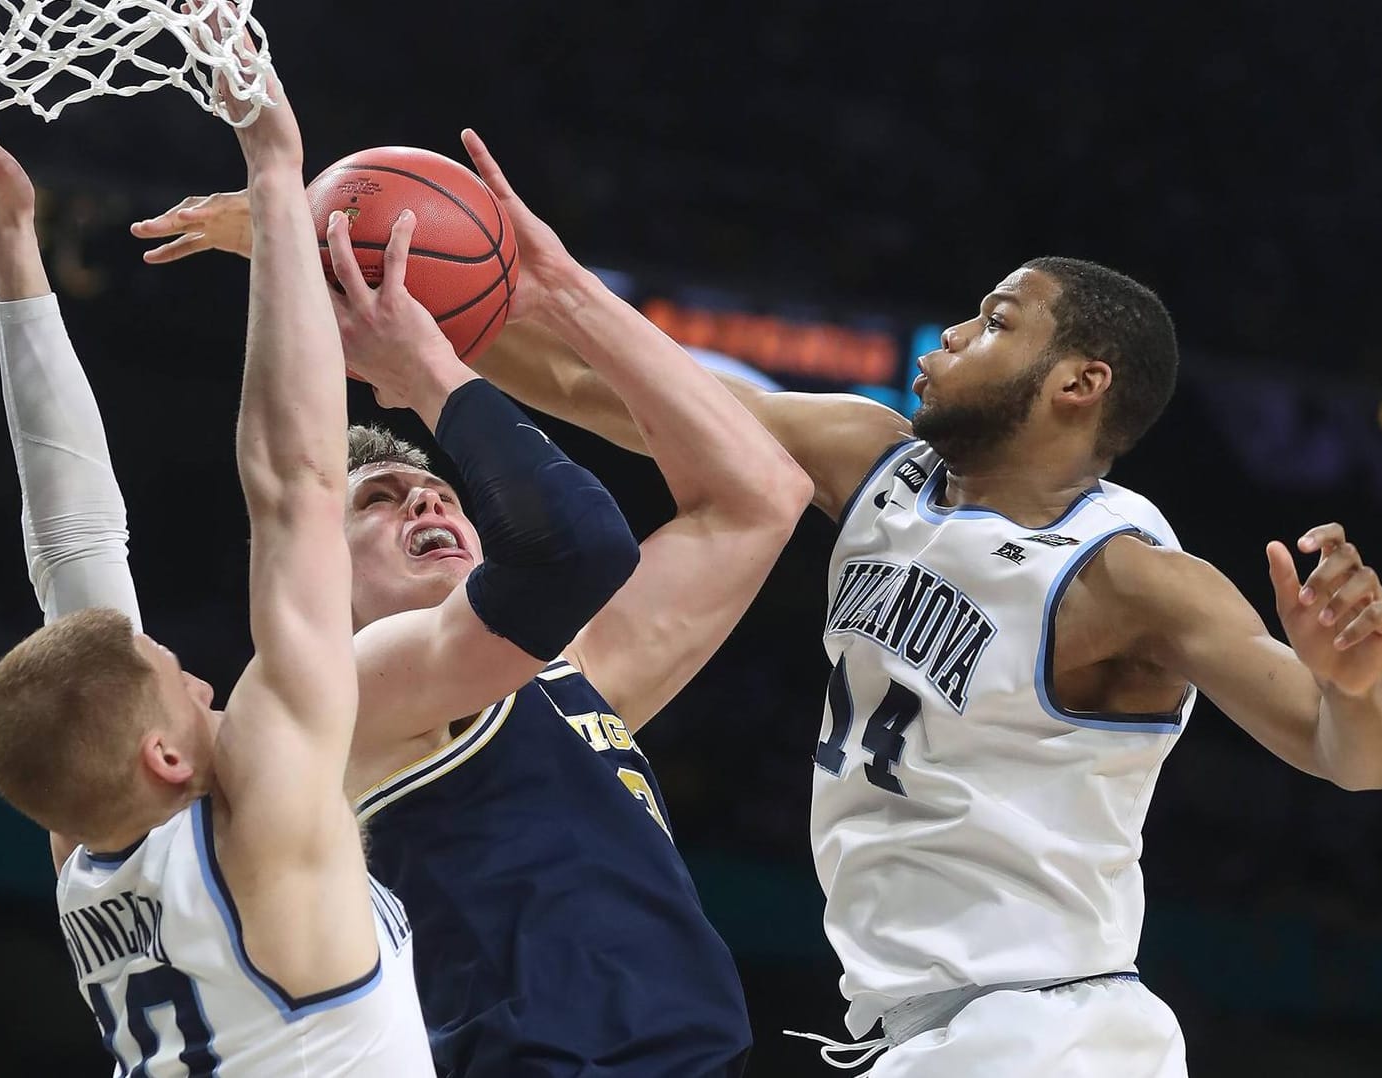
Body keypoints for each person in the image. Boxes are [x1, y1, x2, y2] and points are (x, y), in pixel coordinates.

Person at [460, 257, 1382, 1076]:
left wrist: (1353, 685)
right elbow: (604, 388)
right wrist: (422, 322)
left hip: (1047, 1033)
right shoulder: (868, 460)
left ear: (1078, 382)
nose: (952, 333)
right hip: (927, 1031)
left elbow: (1347, 756)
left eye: (995, 321)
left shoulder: (1129, 576)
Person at [128, 130, 816, 1076]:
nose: (428, 494)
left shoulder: (566, 677)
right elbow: (569, 545)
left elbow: (760, 494)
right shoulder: (343, 701)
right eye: (380, 499)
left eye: (441, 489)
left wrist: (563, 292)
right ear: (312, 569)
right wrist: (430, 379)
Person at [0, 54, 437, 1076]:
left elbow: (73, 546)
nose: (208, 679)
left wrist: (10, 241)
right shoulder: (263, 829)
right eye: (185, 682)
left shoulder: (89, 848)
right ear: (166, 756)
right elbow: (299, 486)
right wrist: (272, 158)